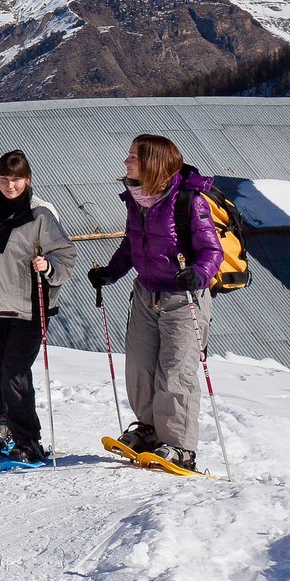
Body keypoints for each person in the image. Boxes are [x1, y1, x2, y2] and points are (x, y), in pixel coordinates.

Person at [88, 134, 222, 471]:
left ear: (154, 163)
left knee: (176, 374)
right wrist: (111, 272)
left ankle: (179, 446)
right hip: (147, 295)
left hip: (184, 298)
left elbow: (212, 251)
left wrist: (198, 273)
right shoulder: (137, 199)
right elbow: (131, 245)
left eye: (133, 156)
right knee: (140, 367)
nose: (126, 161)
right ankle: (149, 430)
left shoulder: (189, 201)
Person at [0, 150, 78, 465]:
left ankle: (29, 441)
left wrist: (47, 266)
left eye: (16, 179)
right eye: (4, 179)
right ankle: (2, 424)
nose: (10, 186)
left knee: (13, 375)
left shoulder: (41, 215)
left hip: (29, 309)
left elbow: (66, 256)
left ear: (28, 179)